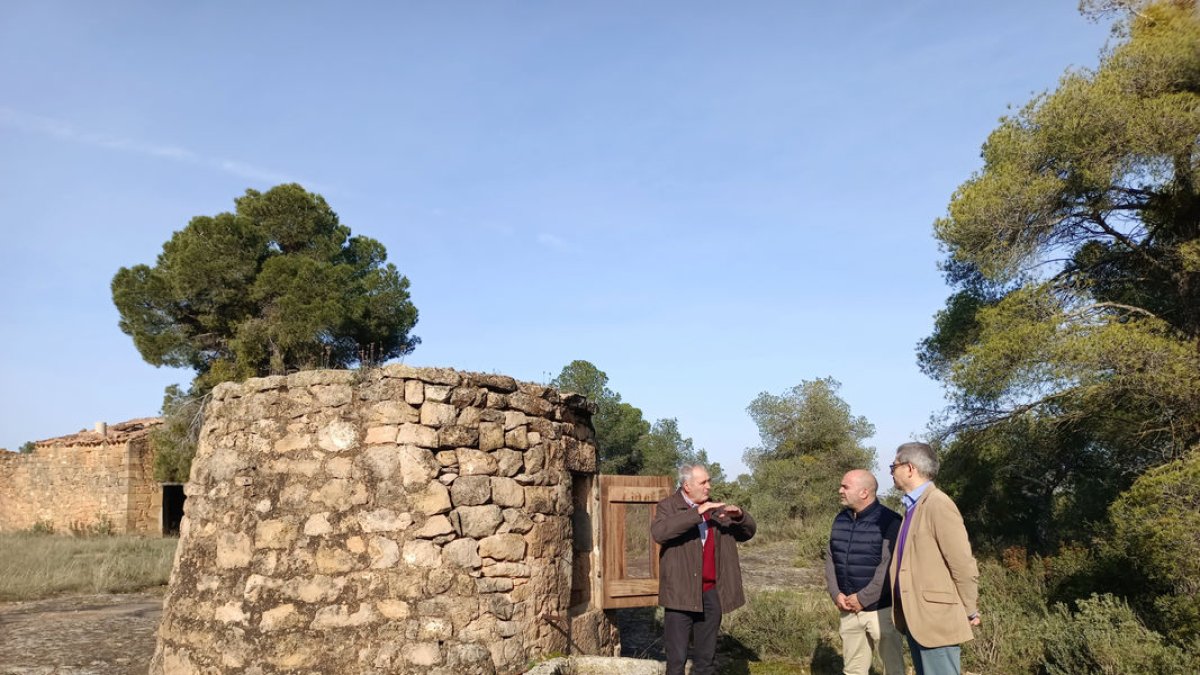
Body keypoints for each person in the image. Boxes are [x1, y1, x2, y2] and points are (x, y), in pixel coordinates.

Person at [651, 463, 756, 675]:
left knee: (706, 661)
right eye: (703, 482)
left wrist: (740, 516)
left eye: (709, 481)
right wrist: (696, 514)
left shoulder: (717, 510)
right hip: (679, 595)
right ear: (687, 486)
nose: (709, 486)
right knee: (676, 661)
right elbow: (660, 533)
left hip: (711, 594)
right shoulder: (668, 506)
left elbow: (748, 532)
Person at [889, 442, 980, 675]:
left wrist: (970, 608)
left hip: (935, 620)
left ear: (910, 468)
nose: (891, 471)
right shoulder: (913, 506)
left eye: (894, 466)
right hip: (916, 617)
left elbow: (962, 562)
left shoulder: (938, 503)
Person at [825, 469, 905, 675]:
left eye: (845, 486)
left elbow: (888, 568)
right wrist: (836, 594)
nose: (840, 490)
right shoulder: (840, 519)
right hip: (848, 609)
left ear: (864, 492)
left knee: (892, 669)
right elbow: (831, 557)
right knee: (853, 670)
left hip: (881, 610)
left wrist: (863, 598)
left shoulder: (890, 521)